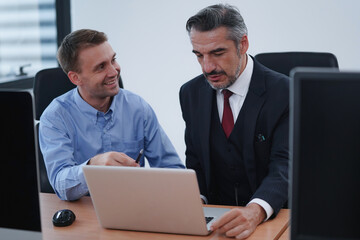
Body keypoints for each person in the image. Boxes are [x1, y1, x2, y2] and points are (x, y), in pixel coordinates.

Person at [179, 4, 289, 239]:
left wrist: (255, 211)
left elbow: (284, 166)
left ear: (243, 44)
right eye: (199, 55)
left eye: (217, 53)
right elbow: (195, 161)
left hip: (272, 221)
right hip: (217, 226)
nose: (207, 67)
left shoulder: (286, 92)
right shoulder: (190, 93)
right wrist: (193, 204)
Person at [39, 29, 184, 201]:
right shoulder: (55, 117)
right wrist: (93, 166)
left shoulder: (137, 107)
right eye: (101, 67)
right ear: (75, 78)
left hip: (133, 207)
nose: (114, 72)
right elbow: (61, 185)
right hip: (83, 212)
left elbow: (172, 170)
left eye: (113, 60)